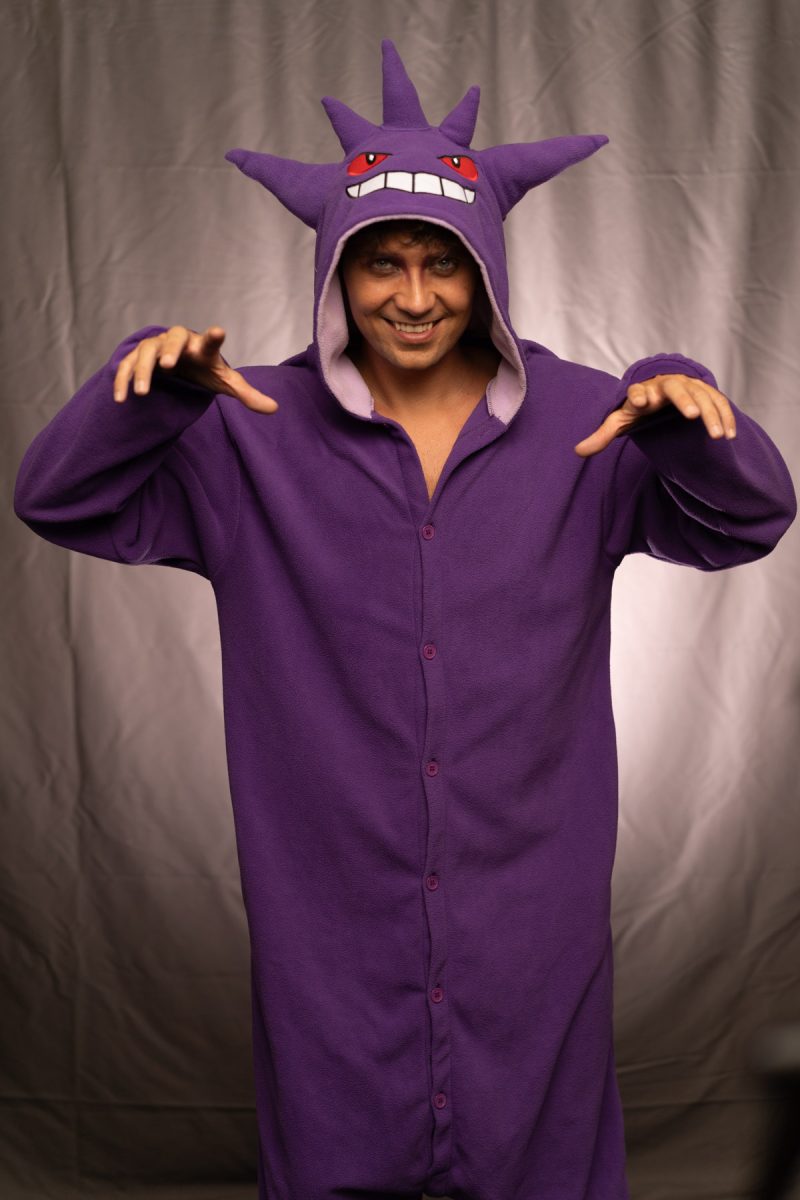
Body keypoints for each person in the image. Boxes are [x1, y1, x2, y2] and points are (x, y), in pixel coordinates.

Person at [13, 39, 796, 1200]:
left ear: (486, 270)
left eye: (443, 263)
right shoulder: (246, 428)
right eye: (382, 262)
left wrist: (692, 423)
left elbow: (749, 521)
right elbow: (57, 499)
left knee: (544, 1160)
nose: (415, 297)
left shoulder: (592, 421)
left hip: (532, 911)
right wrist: (142, 395)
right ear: (336, 266)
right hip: (327, 918)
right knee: (335, 1143)